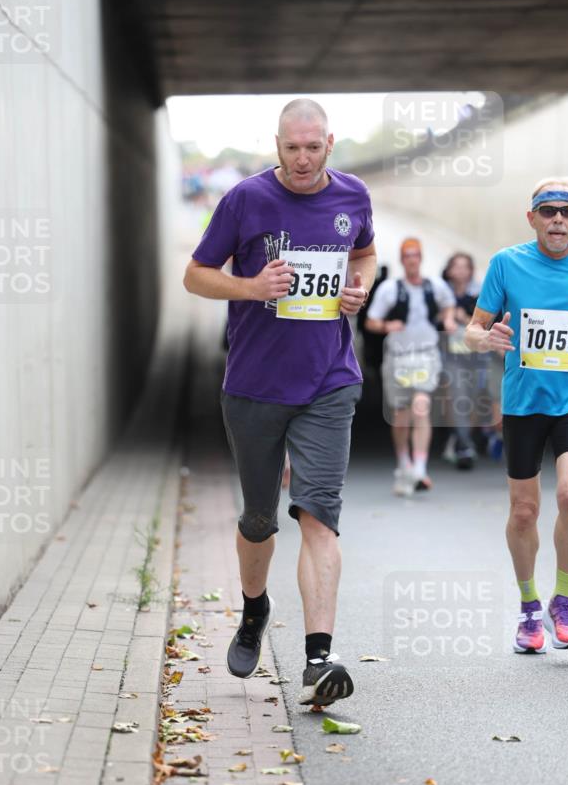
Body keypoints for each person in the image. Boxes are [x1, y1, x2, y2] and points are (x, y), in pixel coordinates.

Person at [183, 98, 377, 706]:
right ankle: (252, 609)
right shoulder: (245, 199)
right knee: (259, 519)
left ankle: (319, 657)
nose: (301, 157)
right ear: (277, 146)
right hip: (255, 385)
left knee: (317, 514)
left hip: (329, 380)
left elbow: (365, 251)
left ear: (329, 145)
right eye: (291, 147)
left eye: (312, 147)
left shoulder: (353, 198)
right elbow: (194, 274)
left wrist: (360, 286)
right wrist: (249, 286)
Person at [465, 176, 568, 654]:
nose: (558, 219)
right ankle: (530, 606)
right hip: (523, 403)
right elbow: (472, 328)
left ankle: (564, 600)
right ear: (531, 218)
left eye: (567, 211)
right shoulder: (506, 264)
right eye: (548, 210)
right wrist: (484, 339)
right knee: (525, 511)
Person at [365, 238, 456, 495]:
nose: (412, 260)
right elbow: (371, 321)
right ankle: (403, 462)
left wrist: (448, 320)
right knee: (401, 417)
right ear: (402, 259)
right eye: (407, 255)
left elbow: (449, 304)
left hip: (426, 354)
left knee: (421, 406)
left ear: (421, 257)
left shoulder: (435, 286)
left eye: (416, 255)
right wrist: (386, 326)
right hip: (399, 356)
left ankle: (420, 466)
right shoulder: (390, 289)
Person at [441, 252, 487, 470]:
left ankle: (461, 436)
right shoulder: (441, 292)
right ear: (449, 270)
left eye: (464, 267)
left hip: (476, 355)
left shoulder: (481, 293)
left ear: (471, 270)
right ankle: (464, 445)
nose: (460, 271)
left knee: (474, 399)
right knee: (457, 395)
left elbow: (487, 323)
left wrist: (463, 318)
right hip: (451, 356)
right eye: (456, 266)